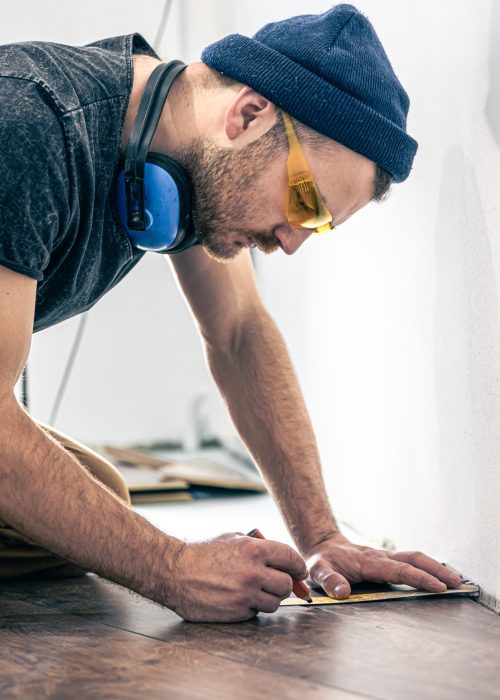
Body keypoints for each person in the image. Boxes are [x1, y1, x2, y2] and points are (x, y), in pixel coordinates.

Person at [0, 4, 461, 622]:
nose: (292, 240)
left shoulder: (181, 153)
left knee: (93, 493)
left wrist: (321, 536)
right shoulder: (28, 125)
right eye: (304, 201)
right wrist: (172, 568)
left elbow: (240, 333)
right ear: (248, 114)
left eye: (316, 225)